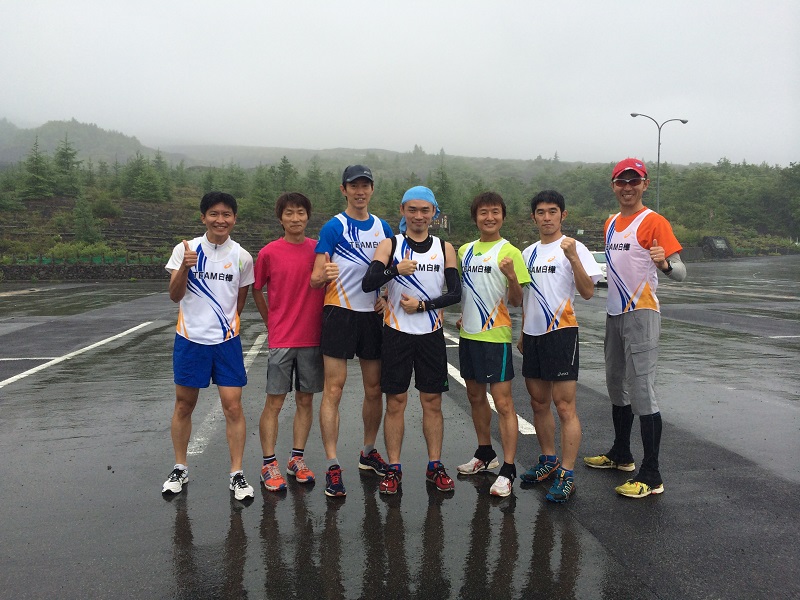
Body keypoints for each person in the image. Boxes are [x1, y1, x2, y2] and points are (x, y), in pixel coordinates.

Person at [583, 158, 687, 498]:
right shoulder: (611, 222)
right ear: (613, 185)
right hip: (614, 314)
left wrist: (665, 264)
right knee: (616, 385)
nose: (627, 187)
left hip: (642, 313)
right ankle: (621, 454)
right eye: (621, 181)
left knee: (642, 390)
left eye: (634, 181)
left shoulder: (654, 221)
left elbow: (681, 272)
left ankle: (652, 474)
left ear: (644, 184)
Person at [362, 186, 462, 495]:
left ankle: (435, 465)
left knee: (432, 402)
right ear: (403, 211)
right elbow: (368, 282)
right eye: (412, 210)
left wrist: (423, 306)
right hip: (396, 333)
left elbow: (455, 293)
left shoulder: (444, 247)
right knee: (396, 402)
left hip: (430, 335)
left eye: (425, 210)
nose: (418, 216)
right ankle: (394, 468)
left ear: (434, 213)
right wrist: (395, 269)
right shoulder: (391, 244)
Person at [161, 191, 255, 501]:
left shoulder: (242, 257)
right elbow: (174, 295)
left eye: (226, 214)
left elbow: (239, 302)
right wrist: (185, 268)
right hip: (190, 340)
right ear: (203, 218)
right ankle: (180, 467)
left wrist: (225, 327)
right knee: (183, 405)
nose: (220, 220)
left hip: (226, 343)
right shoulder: (185, 250)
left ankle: (237, 473)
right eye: (213, 214)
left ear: (234, 219)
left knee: (233, 407)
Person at [310, 165, 394, 497]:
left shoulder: (383, 228)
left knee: (375, 388)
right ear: (343, 190)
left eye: (365, 185)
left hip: (371, 316)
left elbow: (389, 272)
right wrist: (323, 275)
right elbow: (315, 278)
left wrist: (386, 296)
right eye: (353, 186)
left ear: (372, 189)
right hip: (339, 313)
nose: (360, 191)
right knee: (334, 389)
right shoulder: (334, 226)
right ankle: (332, 464)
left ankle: (368, 452)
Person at [517, 190, 603, 503]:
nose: (547, 217)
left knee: (564, 406)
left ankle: (567, 473)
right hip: (533, 335)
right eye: (541, 212)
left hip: (562, 333)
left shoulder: (574, 247)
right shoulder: (527, 253)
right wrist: (523, 332)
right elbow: (526, 297)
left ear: (563, 215)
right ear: (534, 217)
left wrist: (573, 258)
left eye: (553, 211)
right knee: (538, 403)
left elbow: (588, 291)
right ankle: (549, 461)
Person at [456, 191, 531, 497]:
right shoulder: (465, 251)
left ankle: (509, 468)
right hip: (468, 336)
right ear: (475, 218)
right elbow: (463, 290)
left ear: (503, 216)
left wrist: (512, 277)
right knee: (475, 397)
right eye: (483, 212)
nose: (489, 218)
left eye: (495, 212)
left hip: (495, 337)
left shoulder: (510, 252)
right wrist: (464, 316)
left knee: (503, 403)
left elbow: (516, 301)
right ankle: (485, 453)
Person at [252, 192, 326, 492]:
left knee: (306, 400)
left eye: (300, 213)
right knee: (275, 401)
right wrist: (270, 321)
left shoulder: (319, 251)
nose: (295, 218)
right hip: (282, 339)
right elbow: (257, 288)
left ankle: (297, 459)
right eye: (289, 213)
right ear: (280, 218)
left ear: (308, 216)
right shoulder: (268, 253)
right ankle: (268, 463)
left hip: (313, 338)